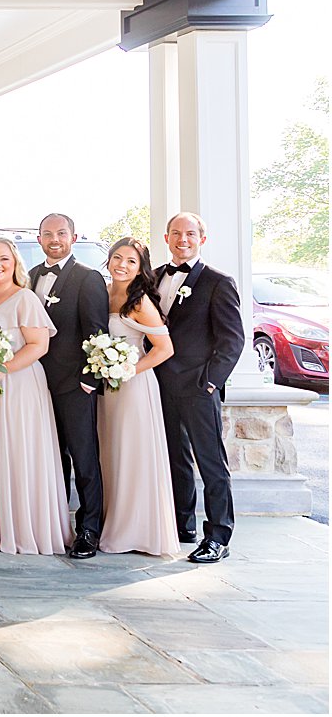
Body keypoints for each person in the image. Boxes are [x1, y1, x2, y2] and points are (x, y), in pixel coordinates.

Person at [0, 238, 68, 555]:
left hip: (16, 385)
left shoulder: (25, 298)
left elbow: (38, 345)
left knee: (13, 448)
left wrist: (4, 368)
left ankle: (17, 526)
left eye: (4, 259)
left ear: (14, 261)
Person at [154, 212, 242, 564]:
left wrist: (209, 383)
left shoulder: (219, 282)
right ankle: (182, 523)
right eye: (176, 233)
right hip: (160, 384)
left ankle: (219, 535)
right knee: (175, 458)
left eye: (190, 233)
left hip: (198, 387)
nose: (183, 239)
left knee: (211, 463)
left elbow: (232, 341)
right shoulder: (156, 277)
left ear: (202, 239)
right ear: (166, 238)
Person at [30, 212, 110, 559]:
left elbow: (97, 332)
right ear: (39, 240)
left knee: (84, 458)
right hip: (35, 385)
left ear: (73, 238)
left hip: (75, 385)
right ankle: (54, 524)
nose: (54, 239)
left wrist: (90, 380)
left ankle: (89, 529)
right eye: (47, 234)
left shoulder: (87, 278)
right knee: (50, 457)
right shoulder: (30, 277)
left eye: (61, 233)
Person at [97, 237, 177, 557]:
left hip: (133, 387)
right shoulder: (104, 291)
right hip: (107, 387)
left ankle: (134, 530)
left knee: (131, 454)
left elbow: (164, 349)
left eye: (131, 261)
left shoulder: (140, 300)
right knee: (111, 453)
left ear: (140, 266)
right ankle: (112, 520)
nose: (122, 265)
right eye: (117, 258)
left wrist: (129, 371)